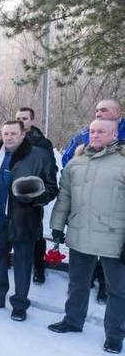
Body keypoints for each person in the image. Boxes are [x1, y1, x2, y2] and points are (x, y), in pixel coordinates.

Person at [48, 119, 125, 354]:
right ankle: (72, 320)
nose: (96, 135)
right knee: (78, 282)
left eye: (102, 131)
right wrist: (58, 225)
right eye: (92, 131)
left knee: (118, 290)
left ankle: (114, 335)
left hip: (115, 238)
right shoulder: (76, 162)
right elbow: (65, 198)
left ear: (114, 134)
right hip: (81, 233)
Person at [0, 121, 58, 321]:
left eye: (13, 133)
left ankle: (19, 305)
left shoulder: (40, 156)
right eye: (6, 134)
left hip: (24, 219)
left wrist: (32, 196)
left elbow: (51, 188)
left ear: (23, 135)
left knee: (22, 264)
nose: (9, 137)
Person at [61, 99, 124, 301]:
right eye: (96, 110)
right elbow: (67, 160)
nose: (99, 113)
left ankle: (113, 326)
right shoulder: (84, 134)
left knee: (116, 283)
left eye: (104, 110)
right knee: (79, 278)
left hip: (113, 227)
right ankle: (74, 318)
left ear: (117, 113)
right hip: (85, 221)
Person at [15, 107, 58, 284]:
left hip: (33, 194)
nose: (21, 121)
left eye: (24, 118)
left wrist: (37, 190)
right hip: (13, 194)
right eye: (18, 118)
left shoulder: (43, 143)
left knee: (35, 233)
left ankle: (39, 267)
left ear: (32, 120)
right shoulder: (12, 138)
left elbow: (50, 169)